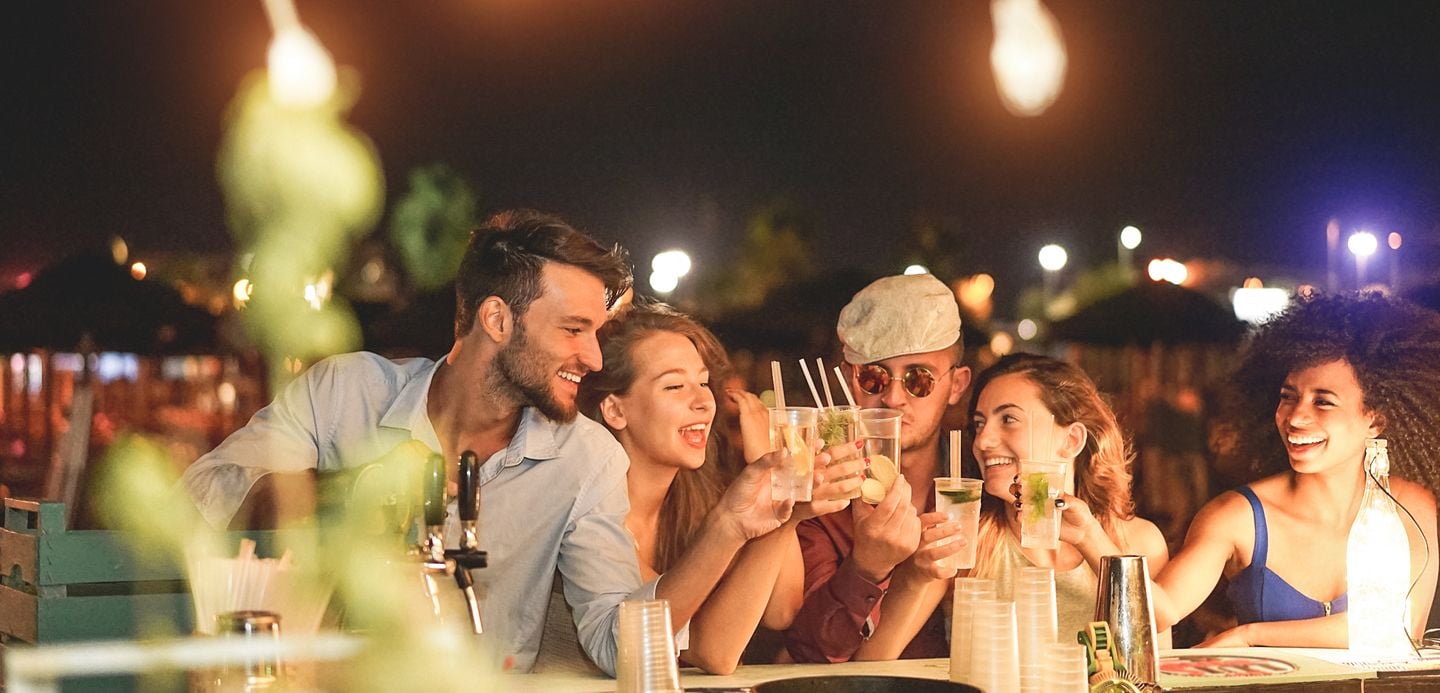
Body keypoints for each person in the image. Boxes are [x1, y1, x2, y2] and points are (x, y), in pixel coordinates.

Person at [180, 210, 786, 675]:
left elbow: (614, 642)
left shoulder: (585, 457)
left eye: (597, 333)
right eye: (574, 330)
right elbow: (202, 496)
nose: (595, 356)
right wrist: (343, 495)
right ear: (497, 320)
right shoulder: (347, 394)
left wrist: (728, 525)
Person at [577, 303, 864, 674]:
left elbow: (780, 610)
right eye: (675, 386)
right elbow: (711, 649)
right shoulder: (588, 516)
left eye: (703, 382)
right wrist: (739, 520)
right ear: (615, 410)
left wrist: (788, 509)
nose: (702, 401)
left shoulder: (695, 501)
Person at [1152, 291, 1440, 647]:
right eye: (1288, 396)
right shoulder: (1237, 516)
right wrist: (1092, 536)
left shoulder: (1410, 507)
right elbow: (1162, 609)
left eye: (1323, 401)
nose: (1295, 417)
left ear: (1375, 421)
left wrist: (1251, 636)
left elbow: (1397, 629)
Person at [784, 273, 973, 662]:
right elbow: (809, 656)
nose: (893, 397)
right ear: (853, 383)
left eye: (919, 379)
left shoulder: (979, 481)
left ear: (956, 385)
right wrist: (865, 570)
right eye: (874, 377)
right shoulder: (821, 493)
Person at [970, 353, 1169, 639]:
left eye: (1009, 419)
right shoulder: (968, 544)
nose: (982, 441)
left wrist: (1089, 537)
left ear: (1072, 439)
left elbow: (1156, 644)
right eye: (979, 423)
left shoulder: (1138, 541)